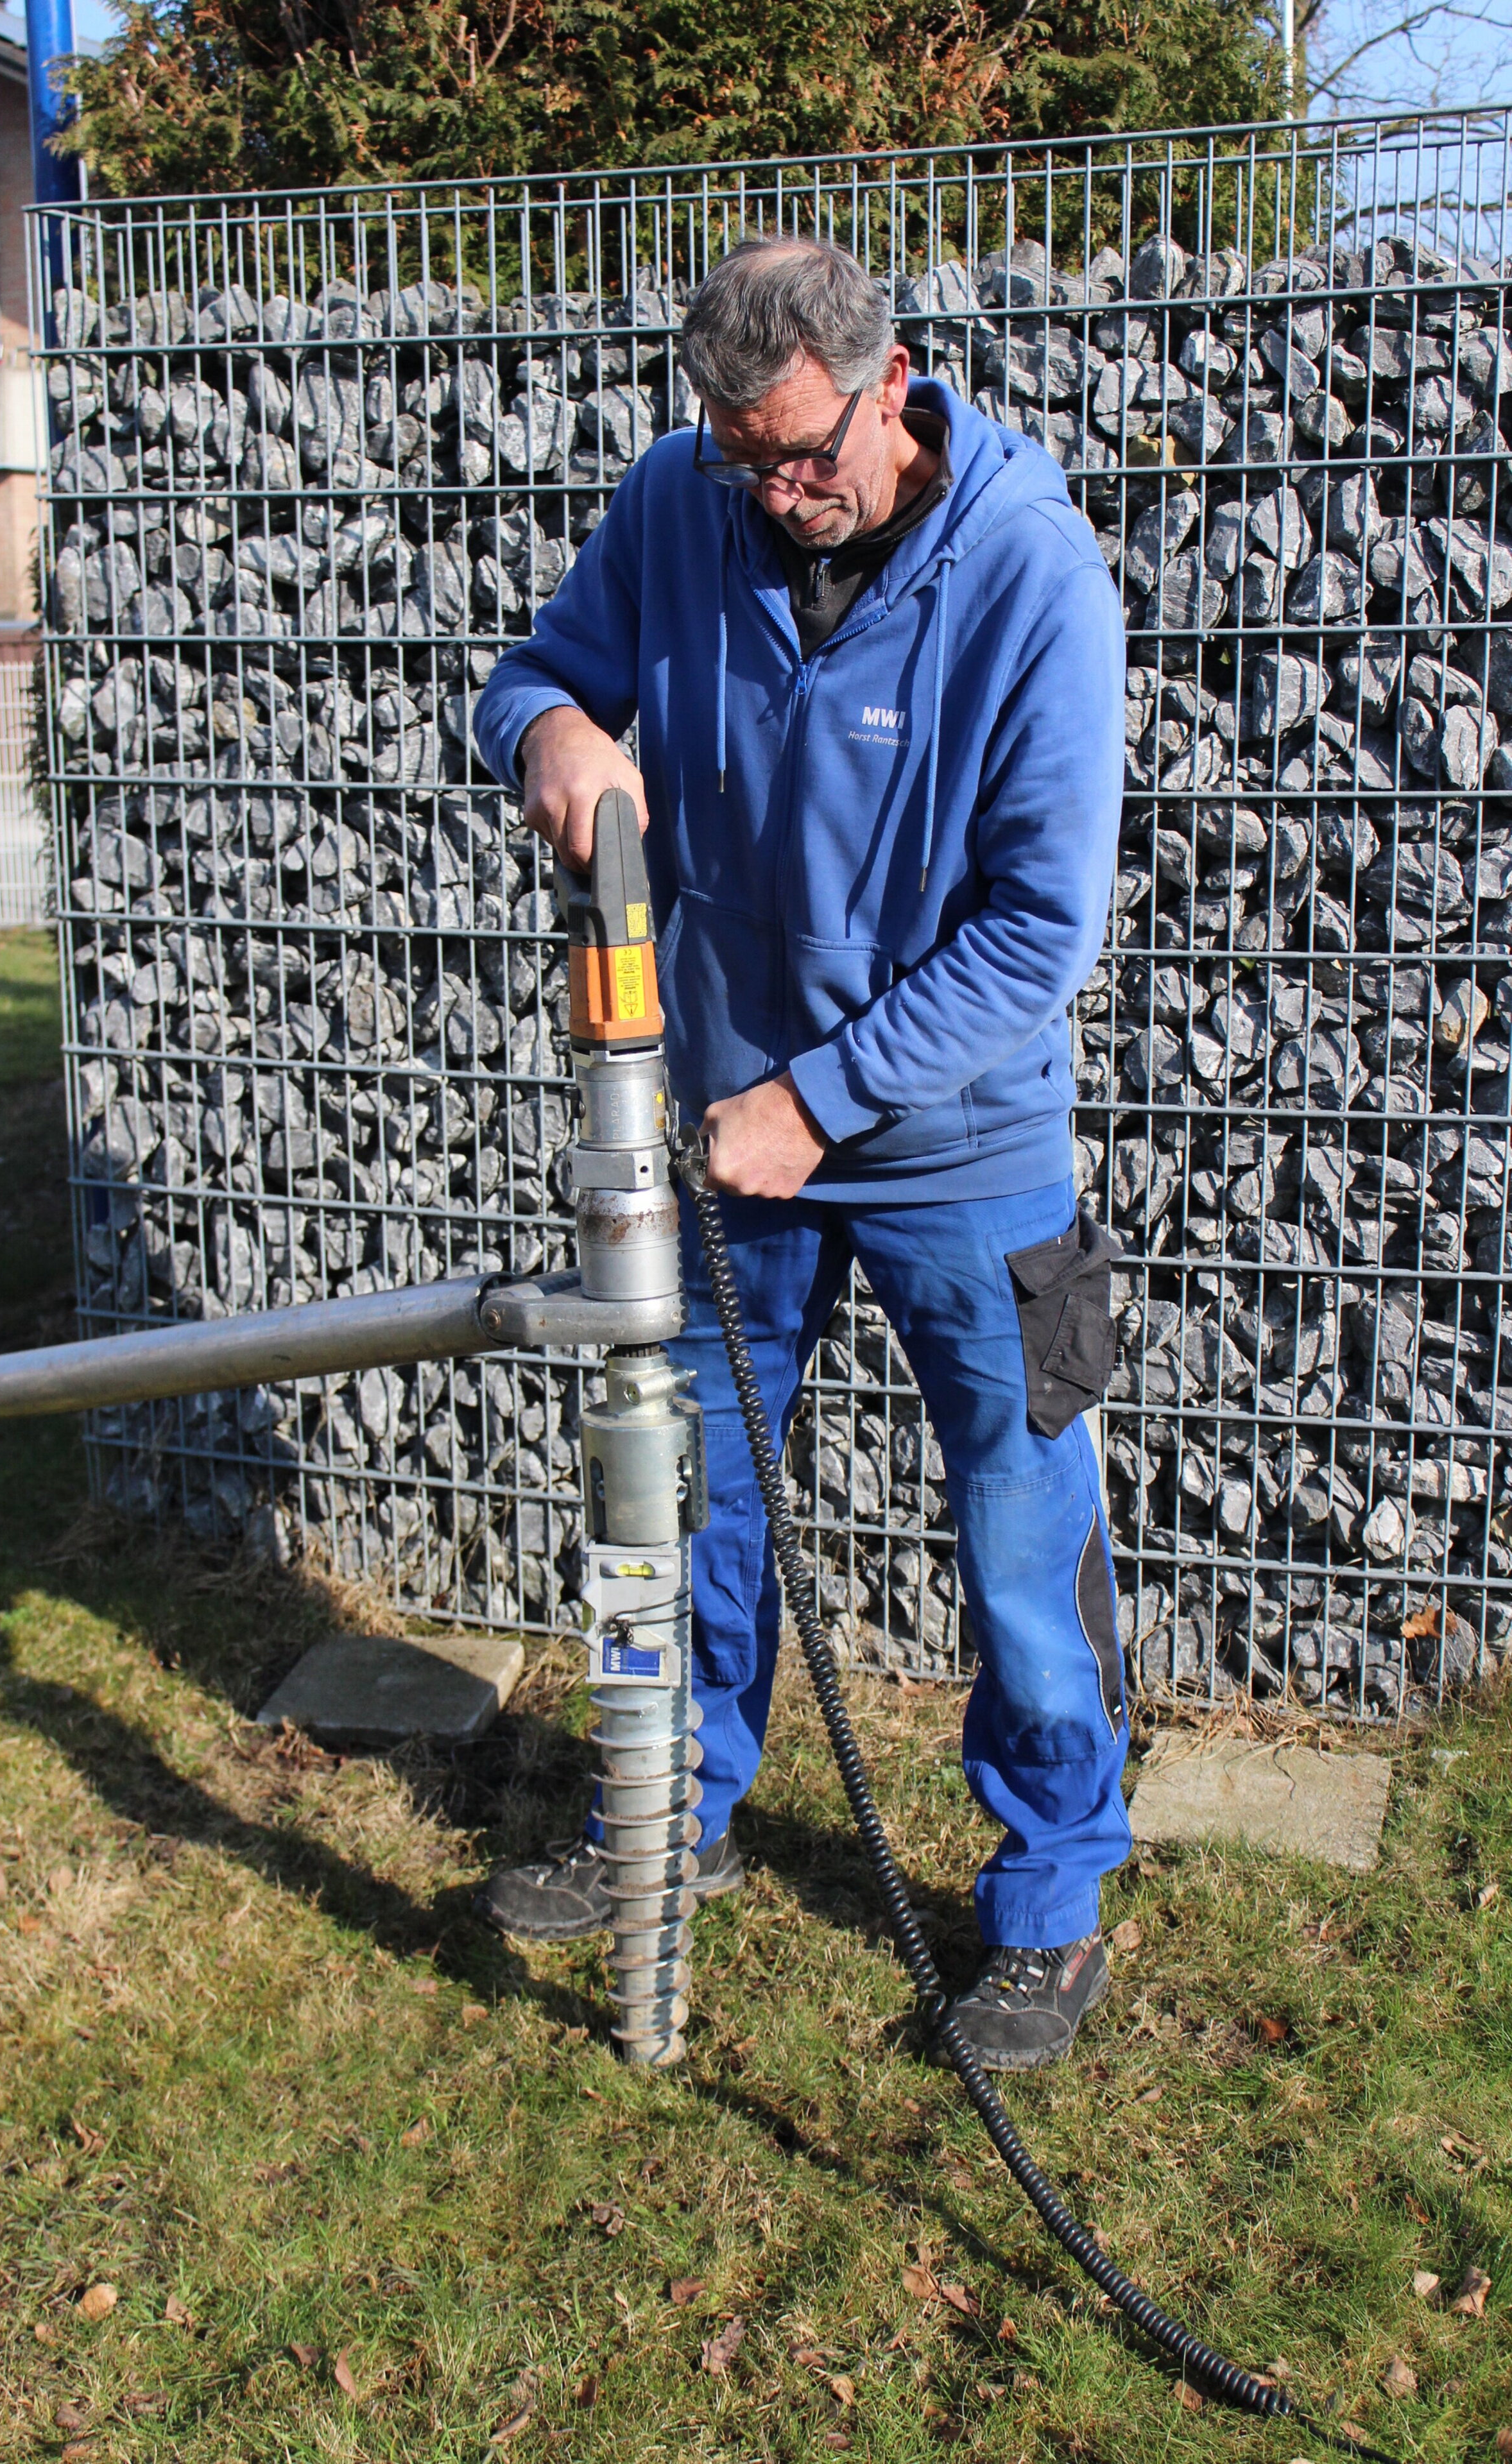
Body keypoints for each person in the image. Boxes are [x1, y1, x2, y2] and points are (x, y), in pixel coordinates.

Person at [472, 237, 1127, 2071]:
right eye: (741, 456)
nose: (773, 494)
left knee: (1023, 1520)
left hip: (960, 1145)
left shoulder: (1033, 574)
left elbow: (1039, 930)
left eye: (802, 453)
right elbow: (526, 676)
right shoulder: (678, 503)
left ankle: (1050, 1904)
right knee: (686, 1497)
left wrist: (822, 1100)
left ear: (891, 383)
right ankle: (666, 1813)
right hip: (725, 1132)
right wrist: (554, 733)